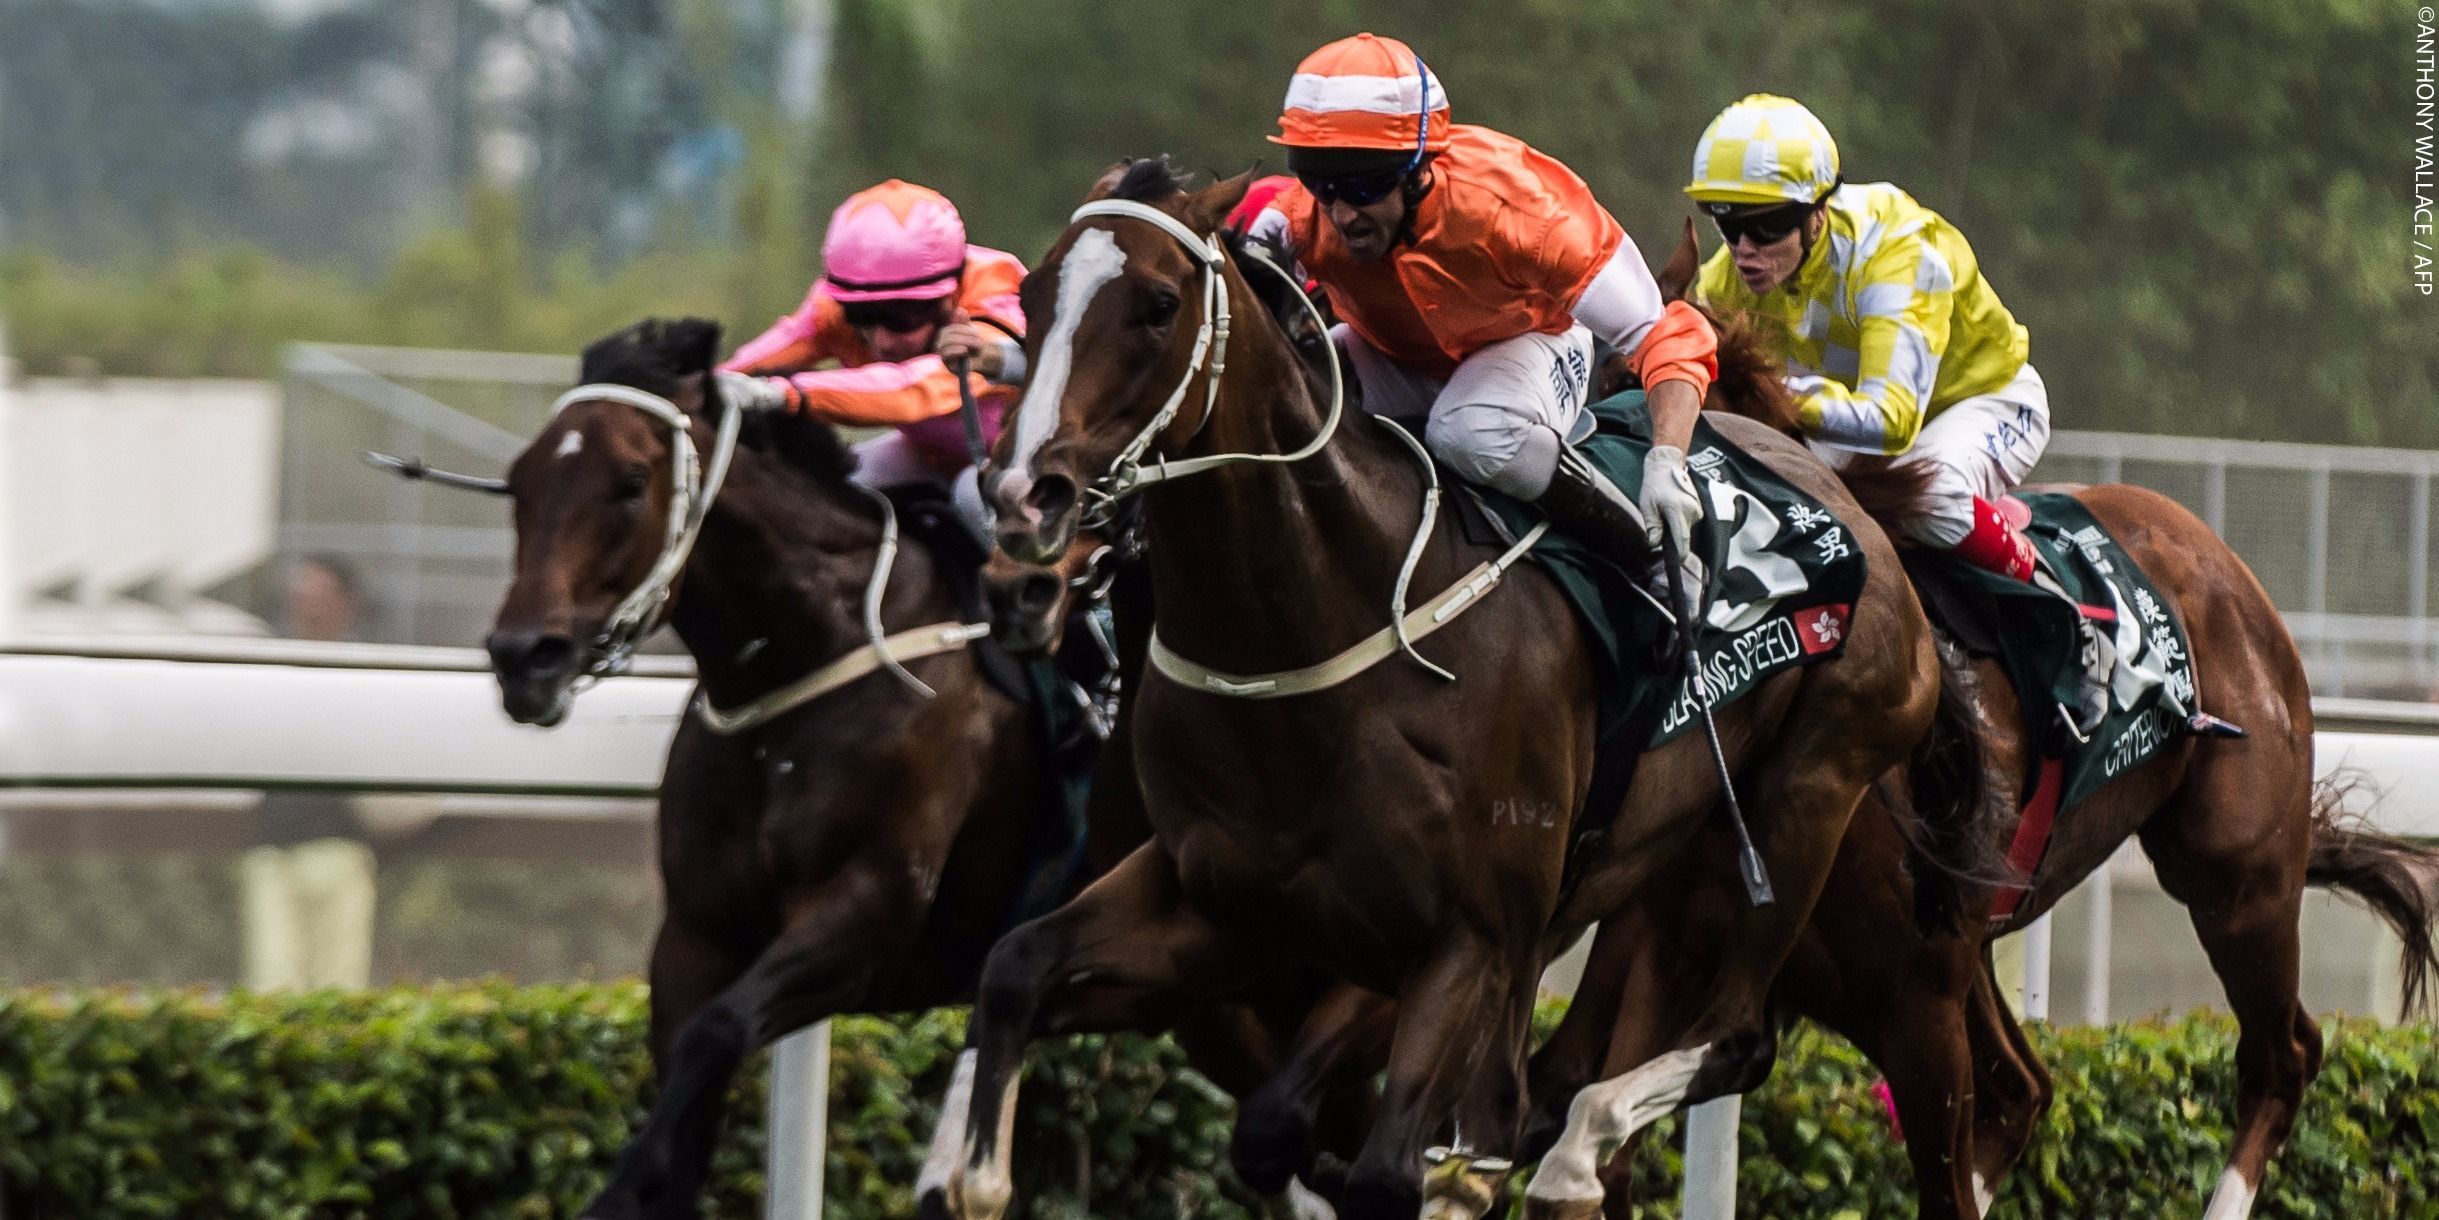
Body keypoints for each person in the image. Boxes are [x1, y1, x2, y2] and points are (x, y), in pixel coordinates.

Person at [1680, 93, 2103, 732]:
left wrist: (1781, 397)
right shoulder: (1730, 275)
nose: (1744, 250)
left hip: (1980, 402)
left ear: (1816, 214)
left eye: (1765, 227)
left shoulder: (1897, 253)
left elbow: (1892, 423)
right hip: (1851, 414)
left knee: (1928, 494)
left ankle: (2064, 616)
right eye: (1726, 224)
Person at [1239, 33, 1720, 593]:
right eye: (1321, 184)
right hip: (1394, 353)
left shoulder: (1522, 209)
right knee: (1286, 399)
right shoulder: (1292, 220)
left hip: (1535, 340)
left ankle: (1647, 555)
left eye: (1365, 187)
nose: (1343, 215)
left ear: (1418, 168)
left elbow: (1665, 332)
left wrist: (1667, 461)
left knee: (1467, 430)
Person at [715, 180, 1029, 534]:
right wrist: (696, 386)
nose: (882, 342)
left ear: (948, 296)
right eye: (862, 317)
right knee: (823, 490)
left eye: (901, 317)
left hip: (1028, 464)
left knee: (972, 494)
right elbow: (745, 366)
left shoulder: (997, 304)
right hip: (927, 454)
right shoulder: (834, 306)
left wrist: (782, 393)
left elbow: (911, 389)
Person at [244, 554, 377, 990]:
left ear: (346, 602)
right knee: (273, 982)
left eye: (318, 591)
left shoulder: (367, 674)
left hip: (341, 849)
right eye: (299, 591)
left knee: (339, 983)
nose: (305, 602)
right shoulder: (270, 668)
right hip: (274, 850)